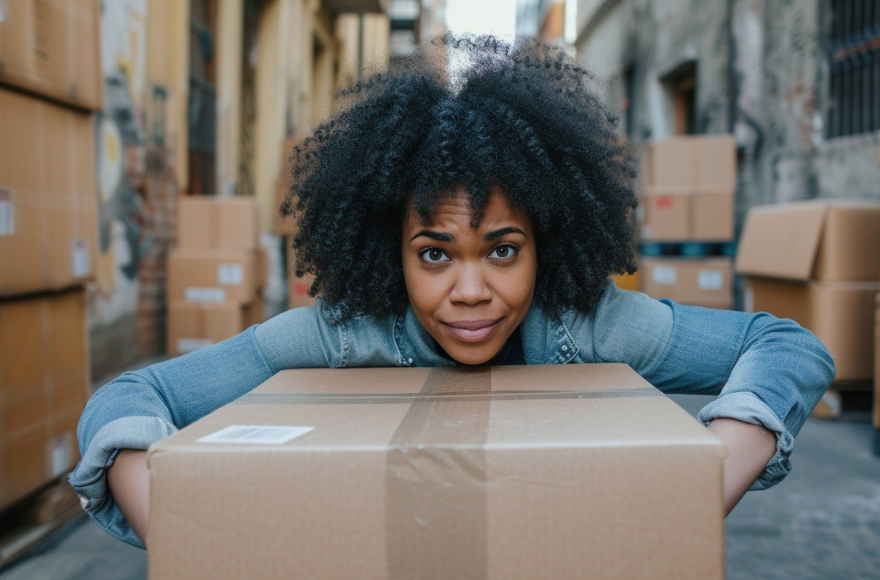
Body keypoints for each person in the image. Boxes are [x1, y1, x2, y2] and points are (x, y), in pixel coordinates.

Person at [69, 35, 835, 550]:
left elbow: (787, 343)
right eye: (434, 254)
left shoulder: (586, 325)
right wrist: (176, 530)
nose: (471, 291)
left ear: (545, 245)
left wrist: (711, 474)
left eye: (503, 250)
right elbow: (133, 393)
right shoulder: (342, 333)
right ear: (389, 254)